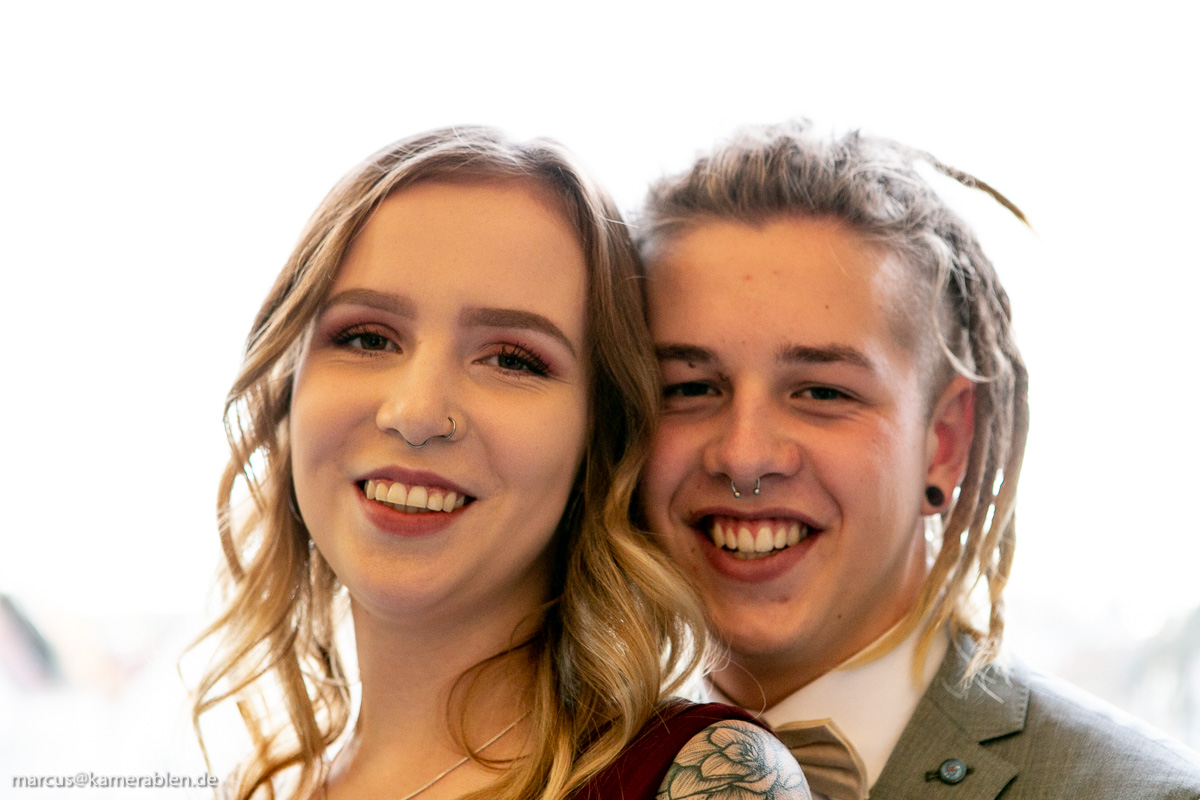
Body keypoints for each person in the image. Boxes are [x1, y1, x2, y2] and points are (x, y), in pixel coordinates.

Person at [189, 126, 808, 800]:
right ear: (290, 387)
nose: (417, 413)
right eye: (367, 338)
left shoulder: (713, 777)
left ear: (600, 437)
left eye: (512, 359)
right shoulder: (266, 786)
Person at [634, 120, 1200, 799]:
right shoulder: (561, 767)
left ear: (945, 443)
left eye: (822, 392)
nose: (743, 456)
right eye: (688, 388)